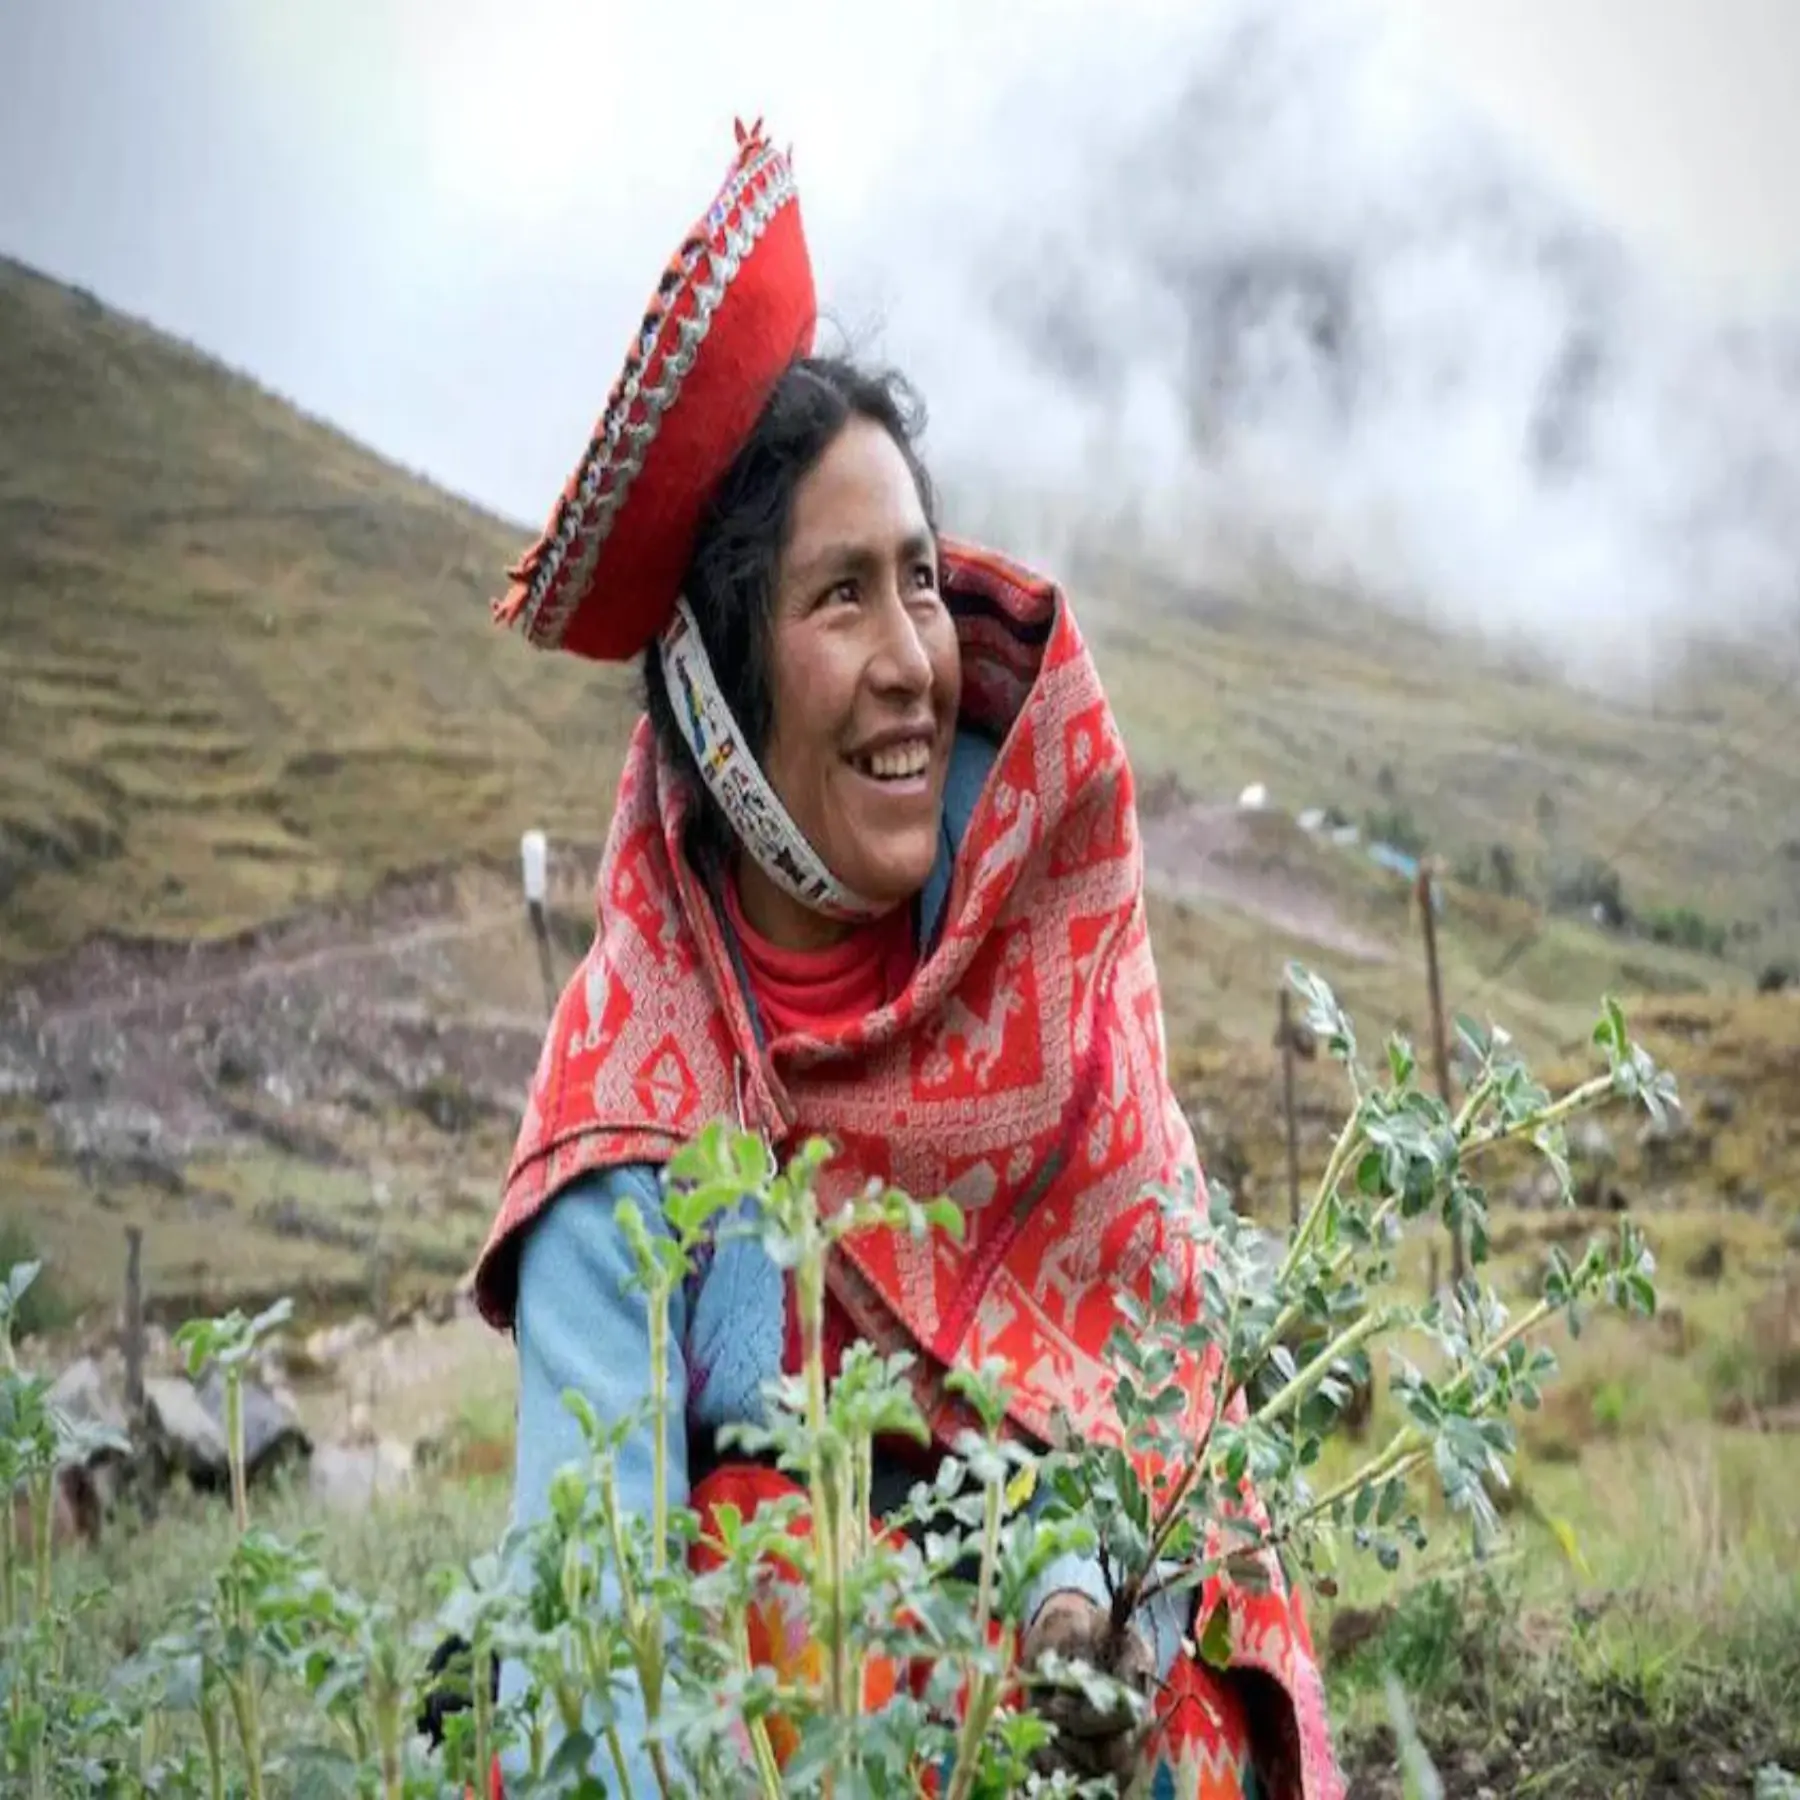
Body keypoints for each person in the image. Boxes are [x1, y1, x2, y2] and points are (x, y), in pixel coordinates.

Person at [469, 119, 1343, 1799]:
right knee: (771, 1567)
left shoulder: (1045, 973)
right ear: (720, 695)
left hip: (1048, 1726)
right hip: (765, 1753)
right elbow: (593, 1604)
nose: (909, 661)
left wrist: (1091, 1606)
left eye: (922, 584)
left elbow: (1147, 1406)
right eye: (838, 599)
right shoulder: (632, 1094)